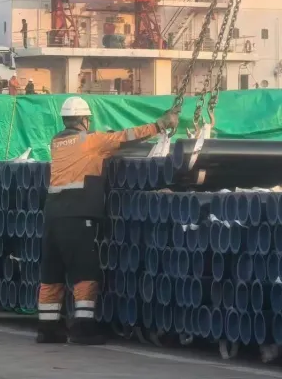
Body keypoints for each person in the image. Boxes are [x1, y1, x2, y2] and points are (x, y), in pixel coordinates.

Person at [36, 96, 179, 344]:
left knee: (52, 273)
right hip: (77, 215)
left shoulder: (57, 142)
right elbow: (126, 137)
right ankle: (83, 329)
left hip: (52, 215)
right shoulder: (90, 141)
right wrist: (160, 125)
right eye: (88, 120)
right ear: (83, 119)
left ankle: (47, 329)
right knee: (85, 272)